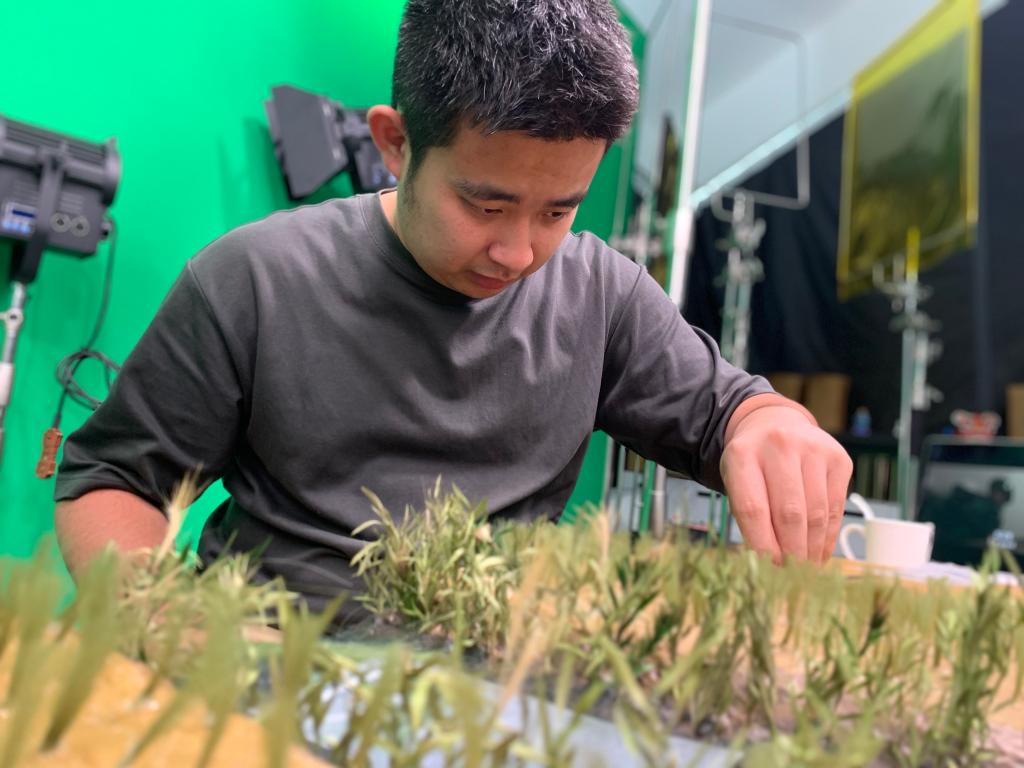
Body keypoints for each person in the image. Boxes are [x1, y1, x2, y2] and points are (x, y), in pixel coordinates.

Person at [54, 0, 853, 614]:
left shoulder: (601, 295)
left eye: (558, 210)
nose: (519, 252)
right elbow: (114, 478)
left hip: (491, 688)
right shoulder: (255, 279)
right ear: (395, 143)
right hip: (274, 668)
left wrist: (768, 424)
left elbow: (730, 414)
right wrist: (160, 620)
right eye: (486, 205)